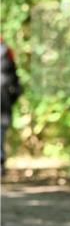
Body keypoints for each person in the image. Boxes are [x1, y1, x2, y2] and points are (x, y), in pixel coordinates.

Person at [1, 40, 22, 172]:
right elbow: (15, 79)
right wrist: (13, 97)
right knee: (1, 127)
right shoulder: (7, 52)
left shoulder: (8, 52)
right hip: (4, 95)